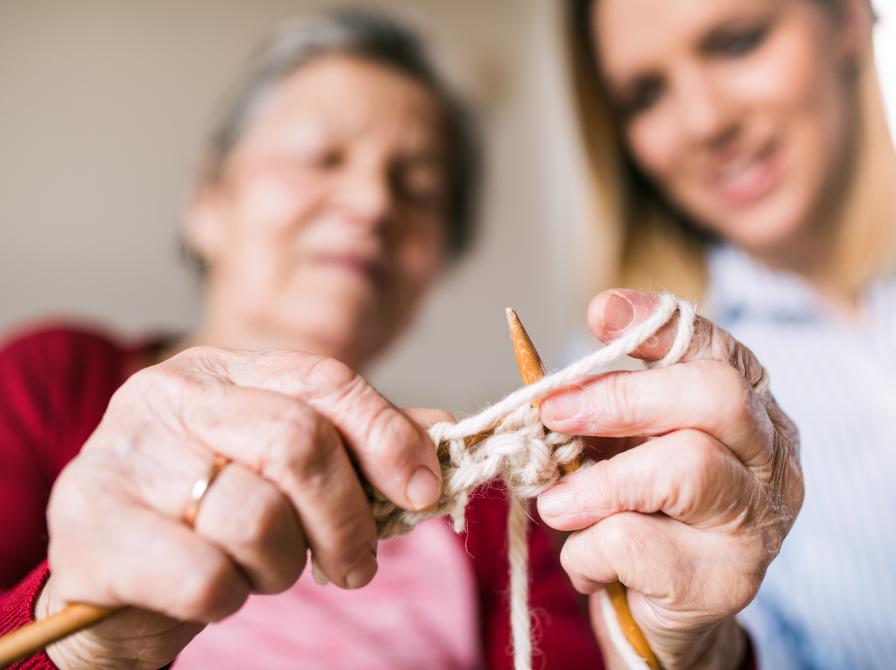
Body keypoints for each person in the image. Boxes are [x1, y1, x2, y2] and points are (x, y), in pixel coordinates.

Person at [0, 7, 802, 670]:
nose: (371, 204)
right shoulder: (59, 382)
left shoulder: (494, 510)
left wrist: (682, 647)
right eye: (323, 156)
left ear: (431, 269)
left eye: (417, 189)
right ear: (207, 203)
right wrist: (83, 642)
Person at [564, 0, 896, 667]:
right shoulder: (623, 396)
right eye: (645, 93)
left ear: (848, 18)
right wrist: (692, 645)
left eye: (737, 42)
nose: (705, 122)